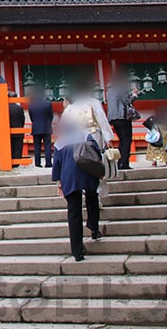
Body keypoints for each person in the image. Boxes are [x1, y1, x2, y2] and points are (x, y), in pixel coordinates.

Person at [52, 78, 114, 261]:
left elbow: (57, 159)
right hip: (88, 143)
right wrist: (108, 139)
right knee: (92, 192)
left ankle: (77, 250)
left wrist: (58, 180)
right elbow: (102, 121)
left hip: (69, 164)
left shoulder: (69, 109)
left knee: (73, 210)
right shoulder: (93, 103)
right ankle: (94, 227)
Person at [106, 67, 139, 170]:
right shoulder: (122, 88)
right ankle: (123, 163)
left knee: (122, 140)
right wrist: (134, 95)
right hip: (122, 117)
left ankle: (120, 161)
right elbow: (127, 102)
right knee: (126, 140)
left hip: (113, 118)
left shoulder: (108, 92)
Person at [28, 85, 54, 168]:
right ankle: (48, 163)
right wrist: (48, 123)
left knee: (37, 146)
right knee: (47, 146)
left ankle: (37, 163)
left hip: (36, 127)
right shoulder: (47, 103)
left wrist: (35, 123)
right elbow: (51, 116)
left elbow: (31, 117)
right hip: (46, 127)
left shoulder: (31, 105)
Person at [7, 91, 26, 166]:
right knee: (17, 147)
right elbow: (22, 119)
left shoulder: (5, 107)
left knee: (9, 147)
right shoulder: (19, 108)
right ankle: (16, 163)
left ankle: (9, 161)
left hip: (8, 130)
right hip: (18, 129)